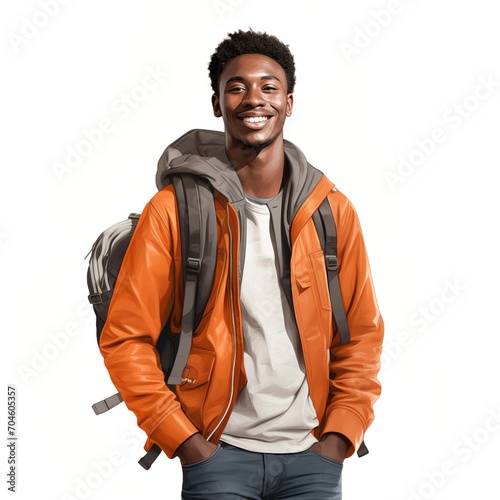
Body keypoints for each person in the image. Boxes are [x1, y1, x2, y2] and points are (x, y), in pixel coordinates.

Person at [99, 29, 384, 499]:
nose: (255, 98)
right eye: (237, 86)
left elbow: (362, 335)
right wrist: (185, 441)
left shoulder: (332, 212)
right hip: (217, 453)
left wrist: (339, 436)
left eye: (269, 87)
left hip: (314, 454)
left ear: (289, 103)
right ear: (217, 103)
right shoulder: (173, 210)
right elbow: (127, 336)